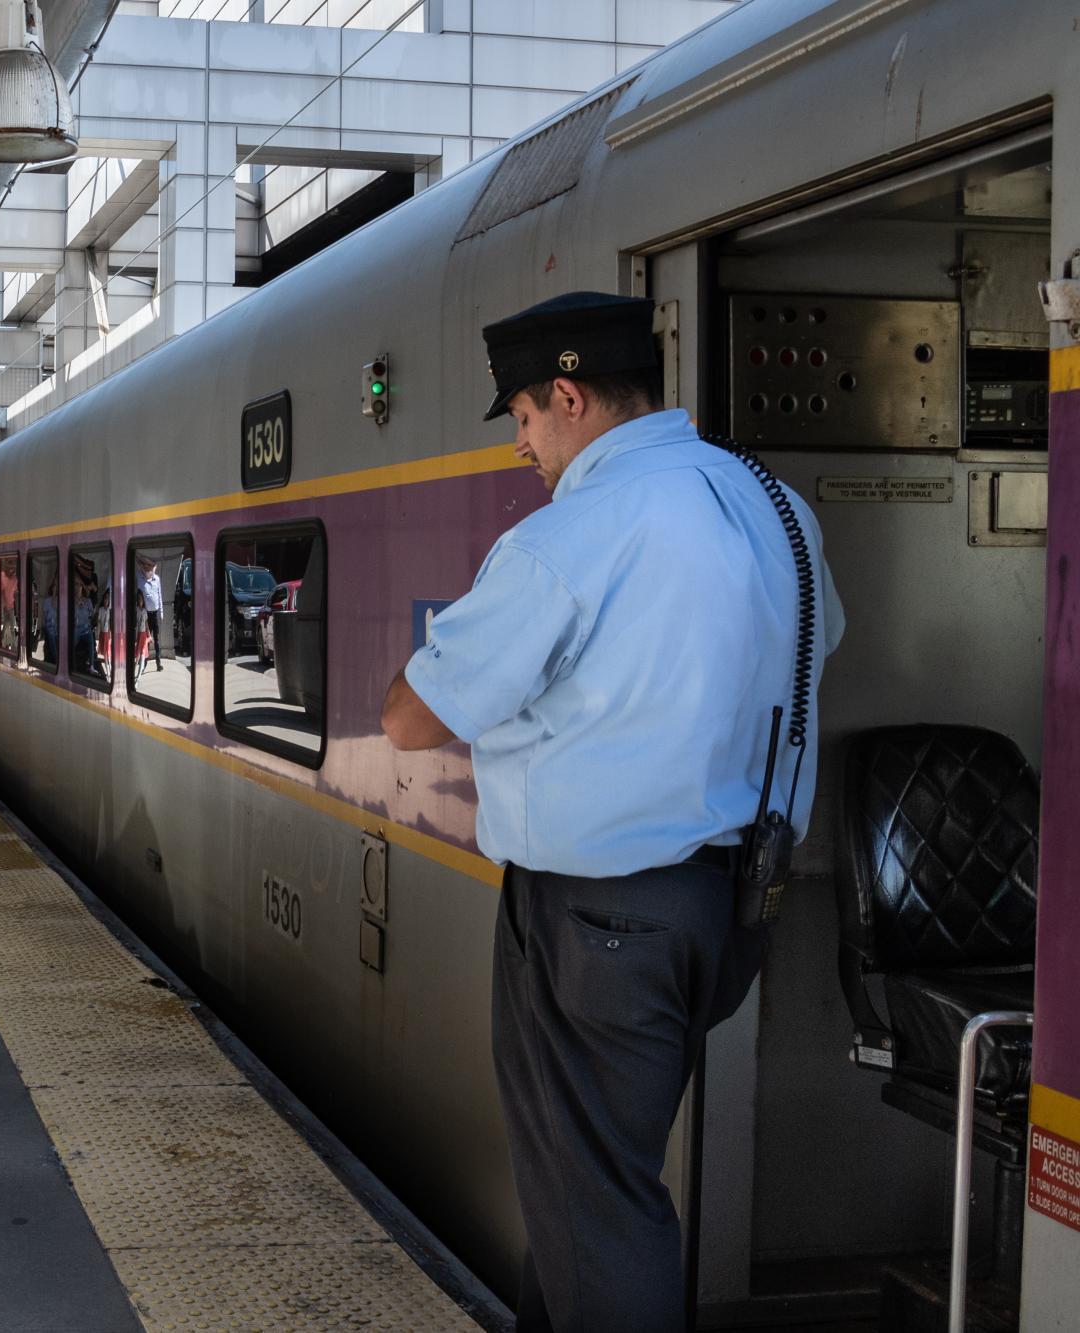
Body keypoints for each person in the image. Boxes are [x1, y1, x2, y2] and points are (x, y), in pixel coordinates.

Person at [378, 292, 843, 1332]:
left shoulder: (574, 534)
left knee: (597, 1203)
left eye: (522, 418)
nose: (520, 446)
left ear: (568, 394)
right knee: (585, 1186)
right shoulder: (770, 505)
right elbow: (816, 644)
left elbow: (409, 721)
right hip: (728, 908)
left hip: (596, 922)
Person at [136, 555, 163, 675]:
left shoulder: (156, 579)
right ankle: (144, 664)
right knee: (145, 640)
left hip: (155, 613)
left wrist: (161, 612)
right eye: (145, 566)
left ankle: (158, 663)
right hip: (145, 615)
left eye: (150, 566)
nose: (148, 568)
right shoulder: (140, 578)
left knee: (156, 639)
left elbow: (160, 595)